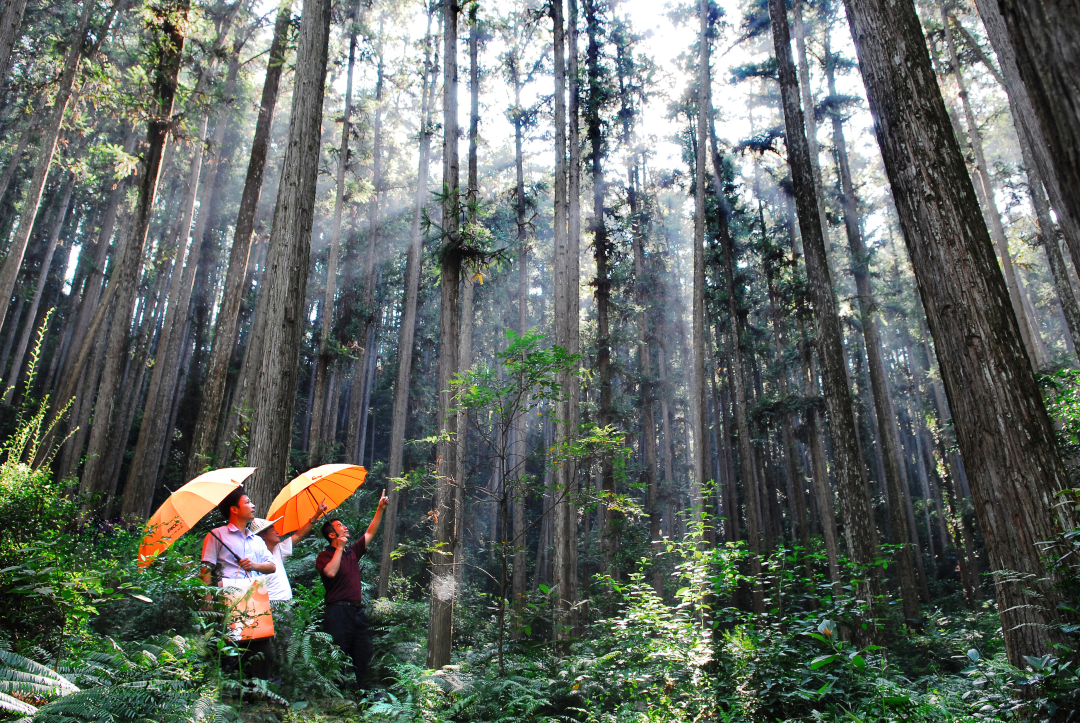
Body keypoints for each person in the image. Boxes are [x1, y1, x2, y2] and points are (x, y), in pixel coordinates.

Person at [200, 486, 276, 678]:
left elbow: (271, 566)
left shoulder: (256, 540)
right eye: (247, 502)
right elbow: (205, 569)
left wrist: (254, 565)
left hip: (256, 595)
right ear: (234, 509)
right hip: (229, 594)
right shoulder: (217, 535)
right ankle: (233, 694)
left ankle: (260, 692)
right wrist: (208, 600)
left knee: (261, 646)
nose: (253, 505)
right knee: (233, 644)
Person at [315, 490, 388, 688]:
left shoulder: (353, 551)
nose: (345, 527)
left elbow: (370, 533)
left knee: (363, 652)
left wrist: (380, 509)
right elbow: (330, 573)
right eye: (340, 526)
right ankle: (336, 697)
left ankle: (363, 694)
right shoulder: (324, 555)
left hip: (357, 611)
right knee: (338, 654)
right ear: (332, 534)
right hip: (337, 612)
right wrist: (339, 548)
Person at [250, 499, 329, 602]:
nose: (277, 532)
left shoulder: (278, 549)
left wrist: (317, 514)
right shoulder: (254, 556)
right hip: (270, 605)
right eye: (273, 529)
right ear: (263, 535)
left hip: (286, 604)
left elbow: (299, 535)